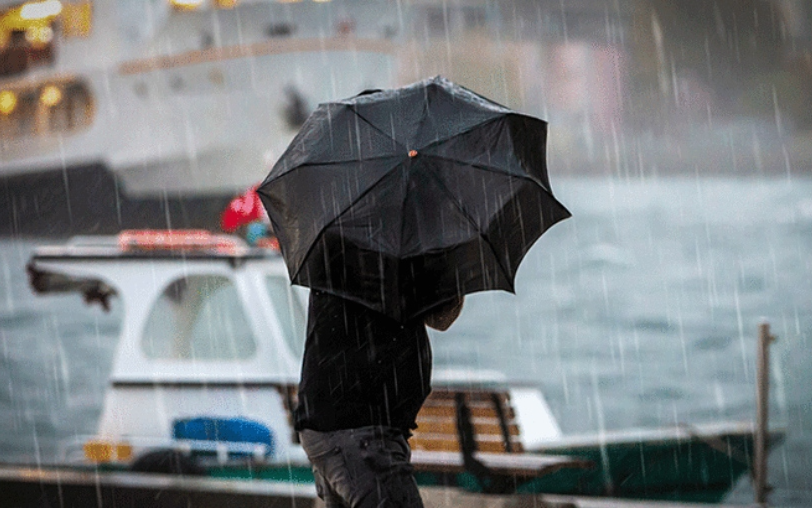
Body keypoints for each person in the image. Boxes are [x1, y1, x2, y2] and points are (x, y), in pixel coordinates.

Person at [295, 292, 464, 508]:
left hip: (341, 425)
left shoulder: (345, 263)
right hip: (360, 432)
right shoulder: (384, 264)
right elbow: (440, 316)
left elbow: (439, 317)